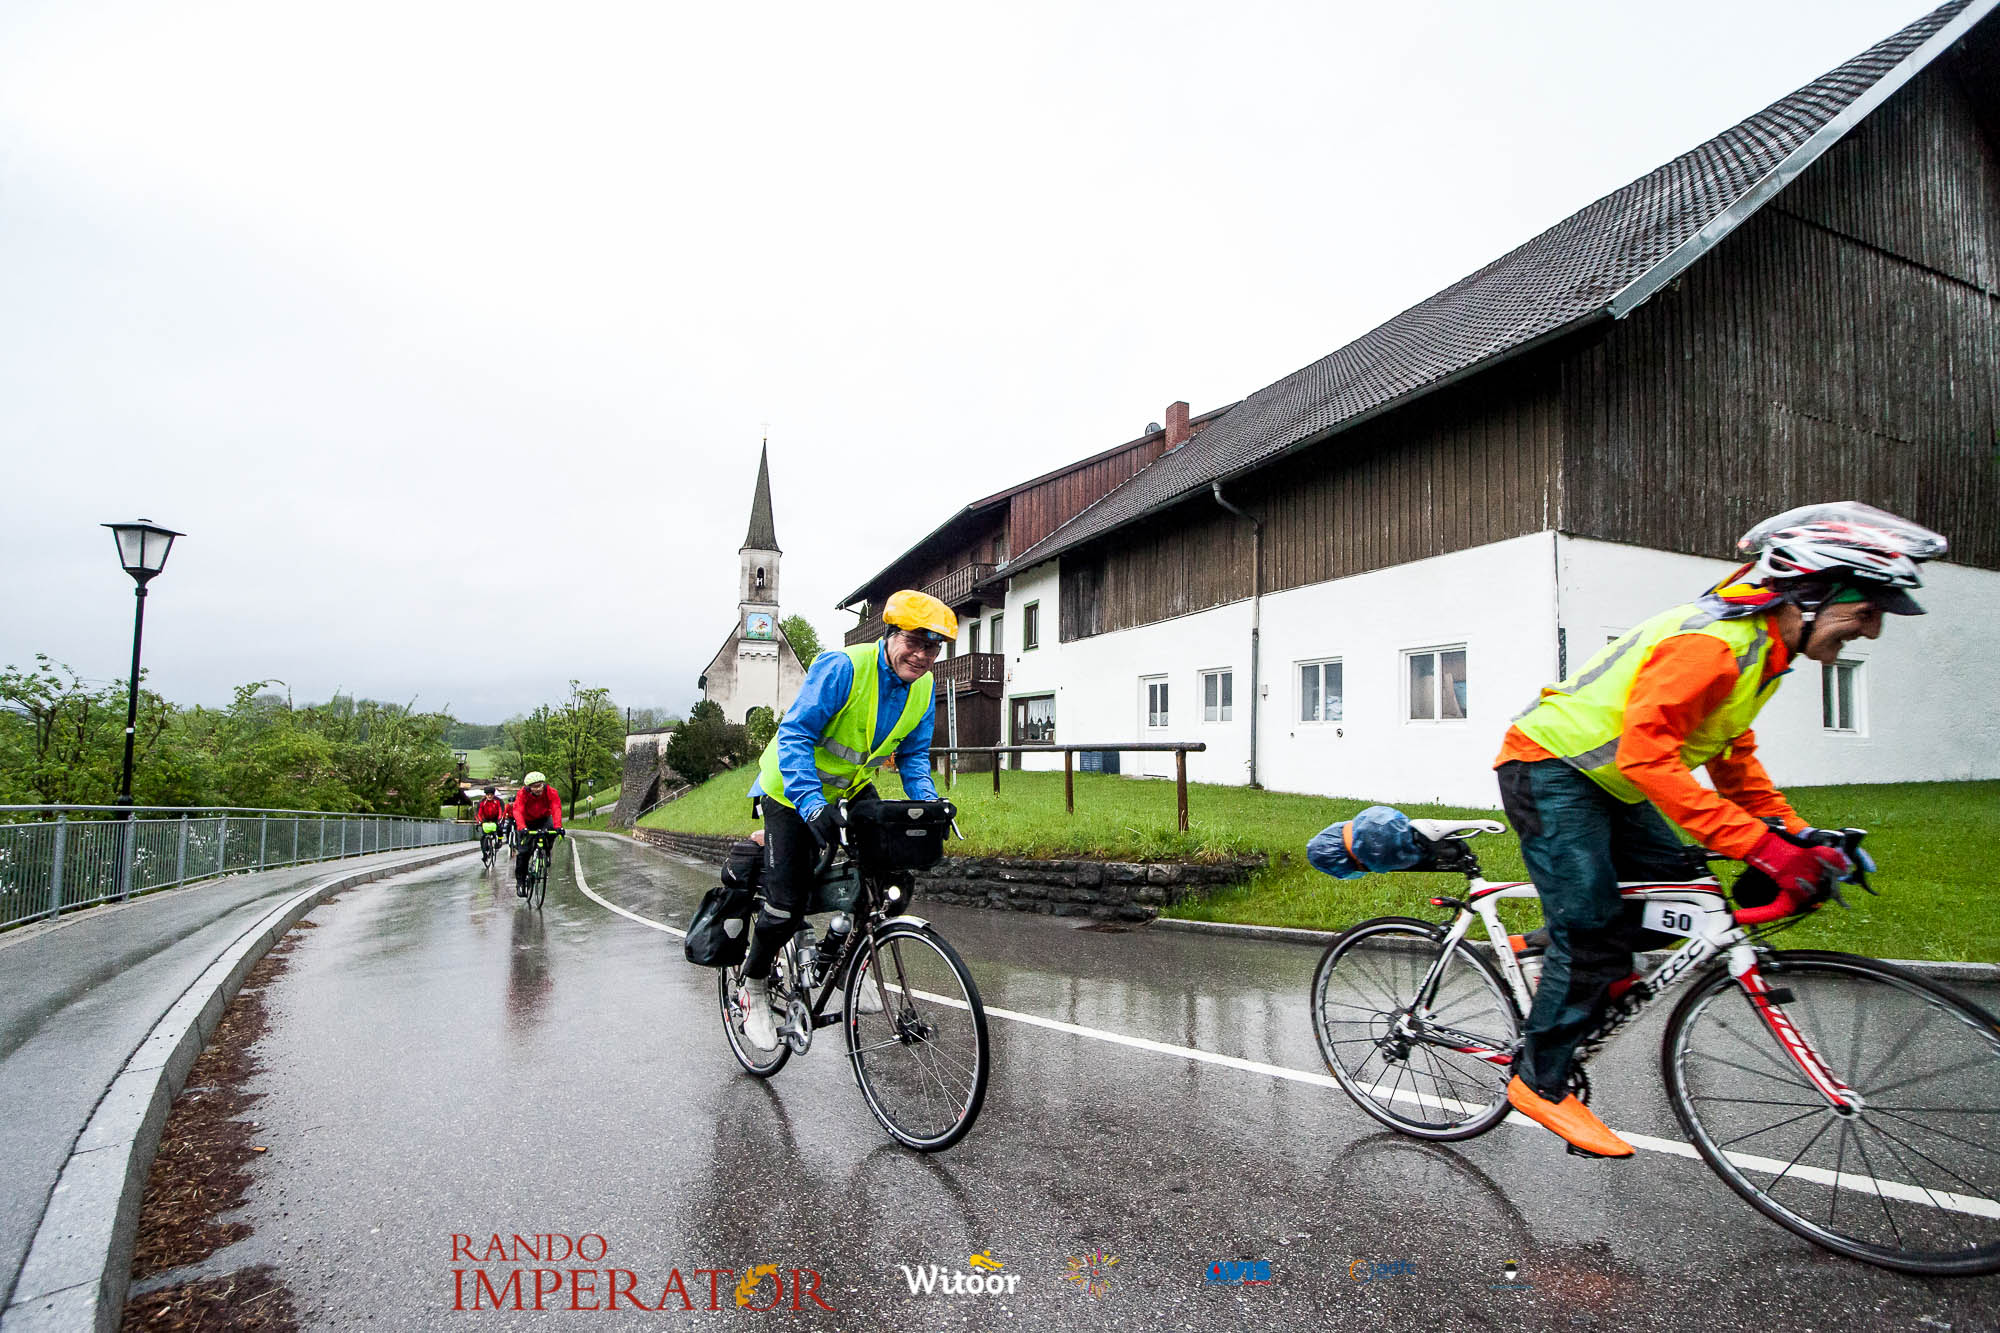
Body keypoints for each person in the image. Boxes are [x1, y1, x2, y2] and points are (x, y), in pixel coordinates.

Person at [1494, 502, 1946, 1158]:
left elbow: (1734, 762)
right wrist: (1760, 846)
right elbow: (1647, 757)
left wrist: (1797, 836)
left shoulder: (1764, 653)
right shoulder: (1712, 645)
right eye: (1868, 610)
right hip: (1550, 765)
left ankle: (1553, 955)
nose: (1872, 630)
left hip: (1610, 780)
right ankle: (1539, 1081)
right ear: (1811, 594)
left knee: (1678, 897)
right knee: (1590, 931)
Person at [734, 589, 955, 1051]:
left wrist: (930, 806)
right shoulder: (844, 667)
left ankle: (846, 959)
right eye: (914, 641)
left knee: (890, 882)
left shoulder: (923, 688)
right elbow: (795, 735)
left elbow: (913, 756)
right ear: (890, 633)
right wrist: (812, 804)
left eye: (933, 648)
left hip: (850, 788)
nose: (922, 655)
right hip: (789, 789)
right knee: (785, 903)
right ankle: (753, 987)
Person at [511, 771, 564, 893]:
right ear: (529, 787)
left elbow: (556, 808)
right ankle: (520, 882)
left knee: (551, 831)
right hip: (527, 821)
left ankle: (547, 851)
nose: (538, 789)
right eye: (534, 787)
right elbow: (518, 810)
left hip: (544, 818)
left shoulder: (550, 792)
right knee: (523, 853)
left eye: (540, 785)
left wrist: (558, 826)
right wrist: (522, 828)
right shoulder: (522, 794)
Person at [474, 786, 507, 861]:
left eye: (491, 795)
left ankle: (499, 841)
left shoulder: (499, 801)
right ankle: (484, 854)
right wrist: (480, 821)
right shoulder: (482, 802)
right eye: (488, 795)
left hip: (496, 818)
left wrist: (499, 820)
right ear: (485, 795)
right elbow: (478, 813)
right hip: (486, 819)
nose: (489, 796)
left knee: (500, 829)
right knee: (483, 837)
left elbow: (501, 811)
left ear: (493, 795)